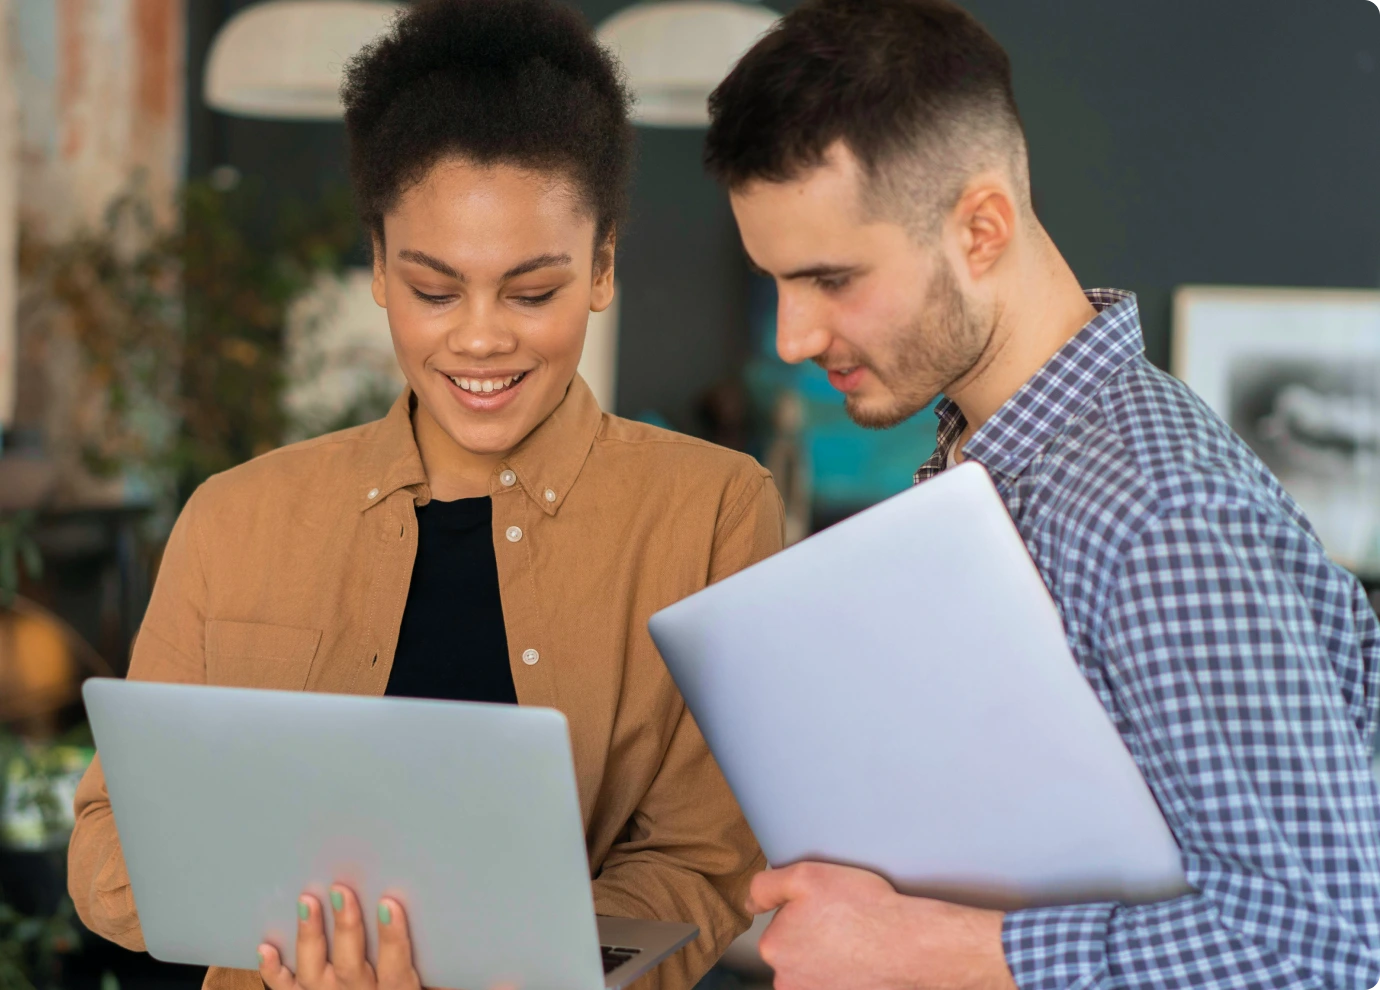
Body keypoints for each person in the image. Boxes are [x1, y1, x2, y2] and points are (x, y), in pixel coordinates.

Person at [68, 3, 782, 990]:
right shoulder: (236, 519)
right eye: (434, 291)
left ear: (604, 268)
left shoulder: (713, 512)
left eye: (531, 292)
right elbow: (110, 849)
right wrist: (310, 935)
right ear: (378, 270)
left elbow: (702, 859)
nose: (479, 339)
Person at [703, 1, 1380, 988]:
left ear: (982, 228)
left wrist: (929, 949)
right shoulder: (986, 477)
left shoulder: (1156, 511)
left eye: (832, 279)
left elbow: (1327, 947)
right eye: (776, 283)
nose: (792, 339)